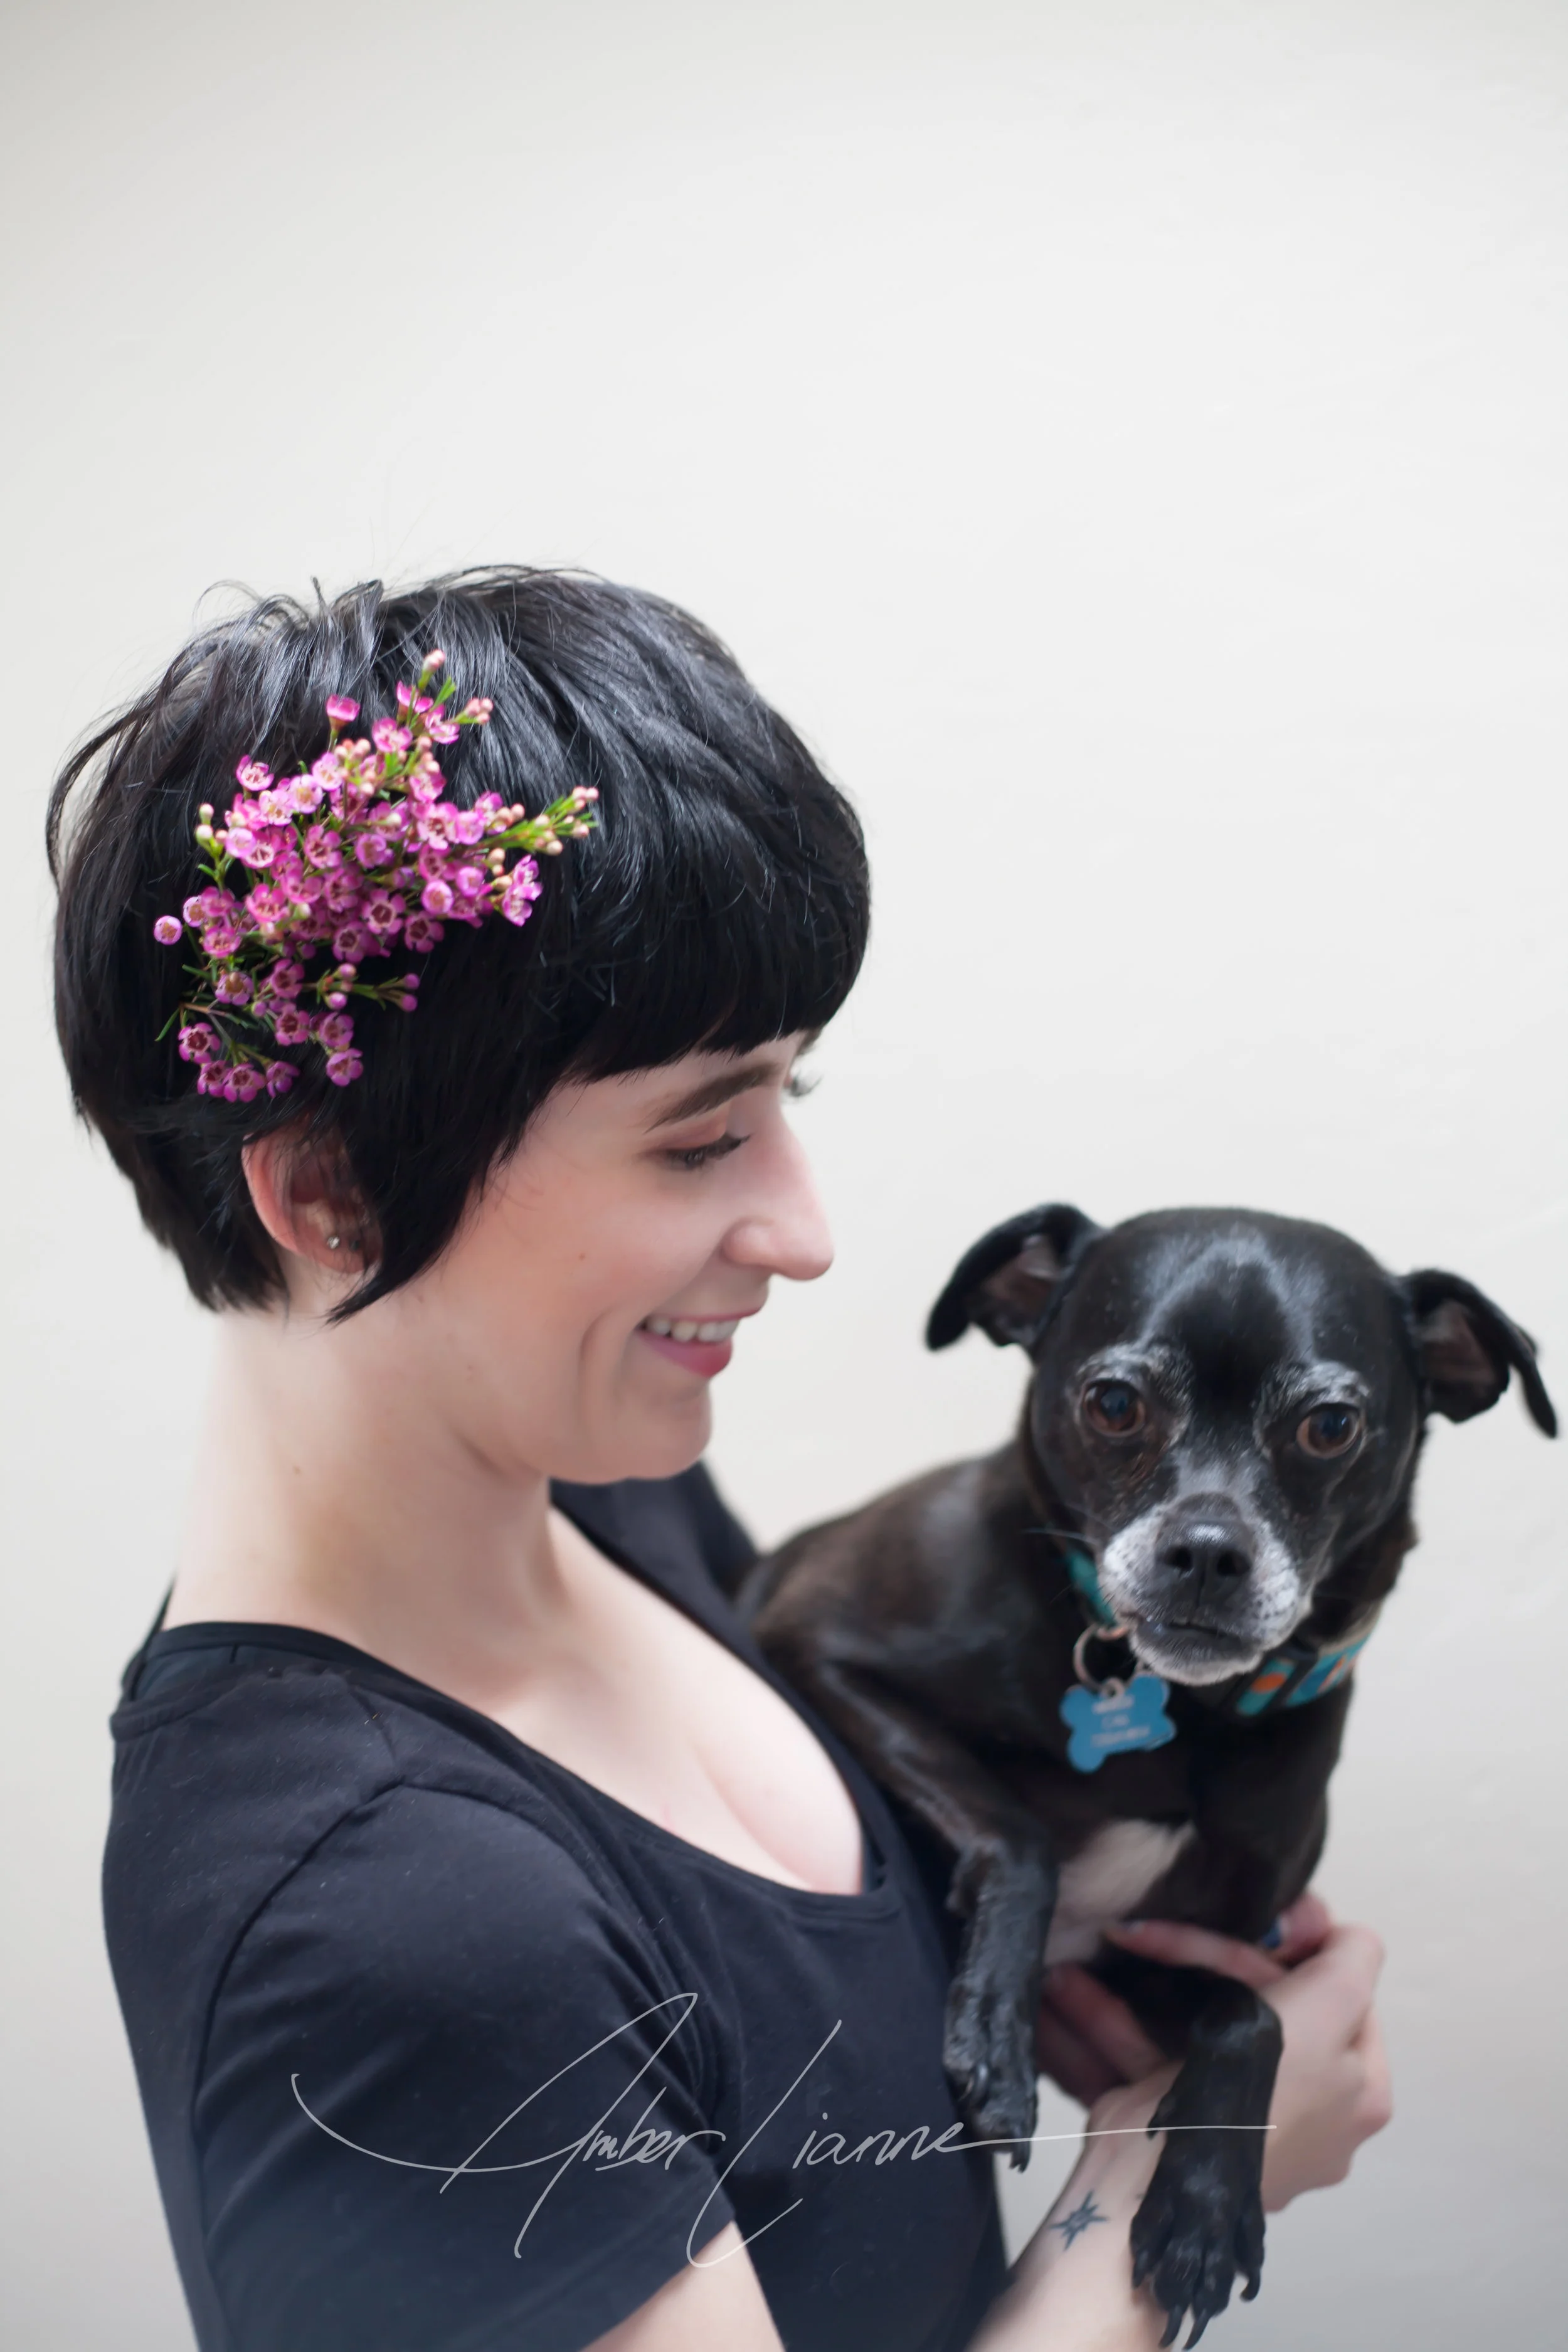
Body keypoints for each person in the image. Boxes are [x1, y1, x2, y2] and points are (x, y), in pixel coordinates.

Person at [50, 568, 1390, 2352]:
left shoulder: (614, 1492)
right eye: (701, 1139)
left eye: (787, 1101)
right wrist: (1159, 2189)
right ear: (337, 1191)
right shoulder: (381, 1917)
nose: (805, 1234)